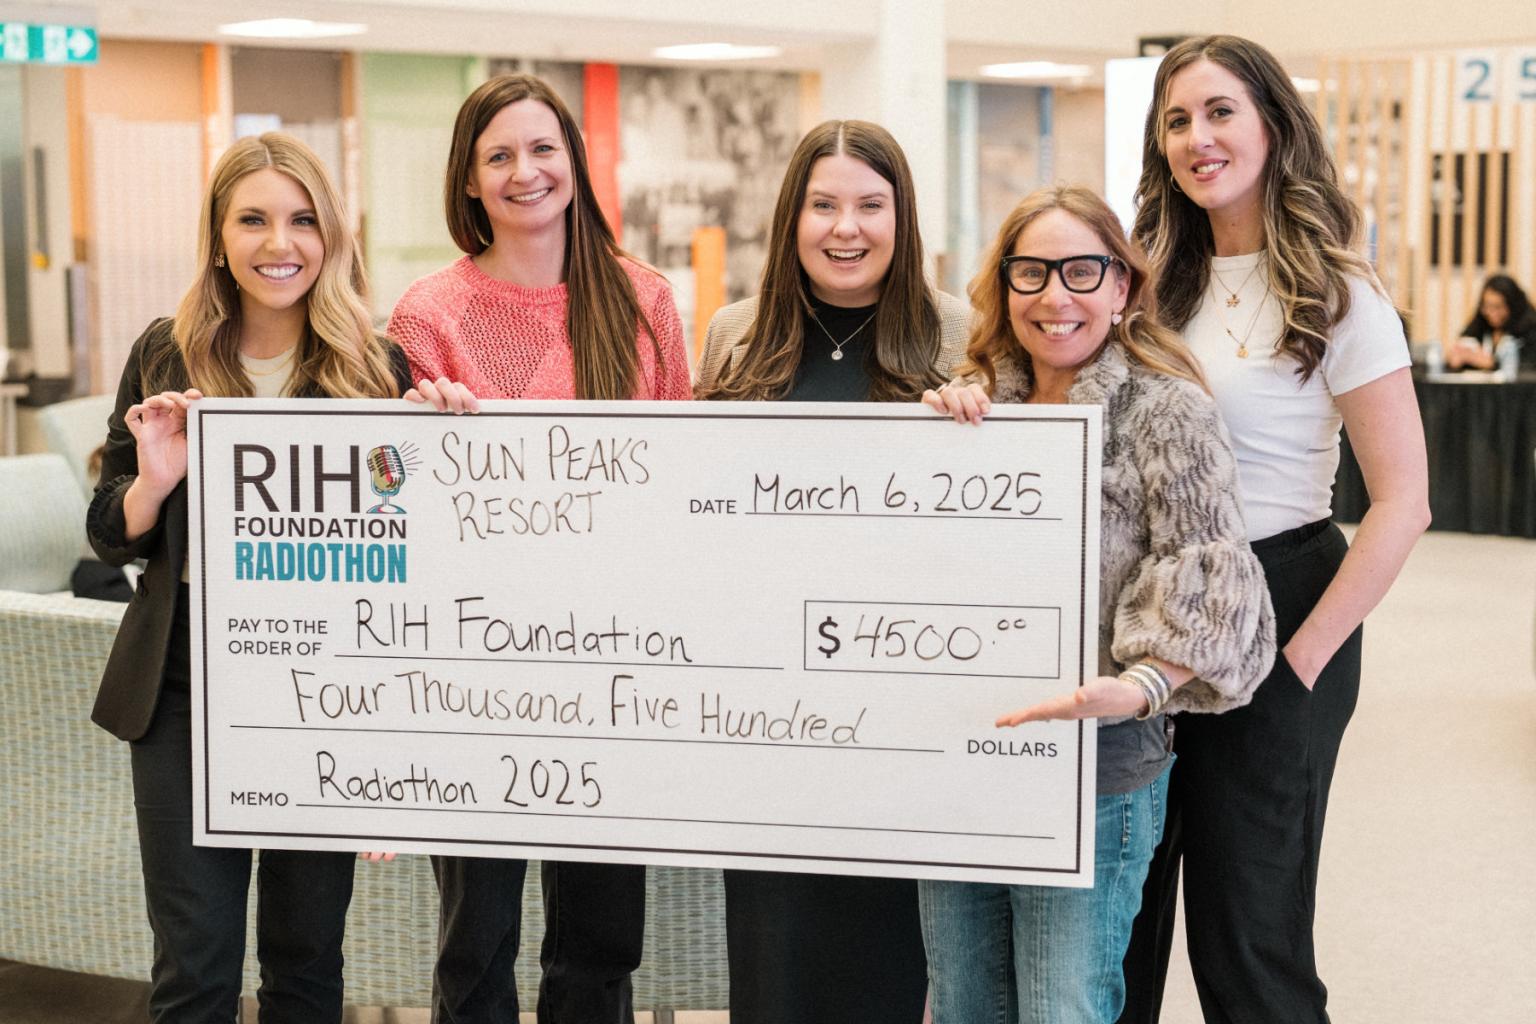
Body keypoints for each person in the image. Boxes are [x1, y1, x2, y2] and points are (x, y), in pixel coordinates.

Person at [86, 132, 463, 1023]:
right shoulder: (164, 352)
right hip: (183, 693)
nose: (278, 243)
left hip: (321, 697)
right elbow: (109, 532)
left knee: (305, 965)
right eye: (252, 219)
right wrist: (154, 482)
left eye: (301, 220)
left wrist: (440, 445)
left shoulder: (378, 371)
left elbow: (413, 556)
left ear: (330, 236)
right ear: (218, 236)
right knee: (195, 967)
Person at [1118, 35, 1431, 1024]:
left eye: (1220, 112)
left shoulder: (1338, 295)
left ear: (1271, 126)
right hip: (1150, 609)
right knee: (1117, 921)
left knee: (1249, 933)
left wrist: (1300, 664)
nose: (1197, 137)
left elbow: (1404, 502)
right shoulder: (1146, 281)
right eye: (1177, 119)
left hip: (1281, 600)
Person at [920, 185, 1275, 1024]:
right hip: (960, 756)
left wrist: (1143, 686)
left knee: (1063, 1008)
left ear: (1122, 288)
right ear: (1003, 289)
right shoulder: (969, 405)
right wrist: (927, 432)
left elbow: (1215, 578)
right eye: (1031, 272)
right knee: (964, 1004)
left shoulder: (1165, 410)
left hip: (1097, 771)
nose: (1055, 296)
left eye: (1082, 272)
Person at [385, 73, 689, 1024]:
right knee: (474, 940)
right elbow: (399, 502)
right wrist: (406, 428)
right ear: (469, 180)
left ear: (575, 161)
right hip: (473, 667)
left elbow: (682, 478)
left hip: (616, 664)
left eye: (544, 149)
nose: (527, 172)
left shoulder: (643, 300)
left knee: (600, 942)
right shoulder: (424, 314)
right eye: (500, 156)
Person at [693, 119, 970, 1024]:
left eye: (869, 205)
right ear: (792, 217)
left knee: (889, 961)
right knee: (775, 965)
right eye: (823, 205)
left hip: (902, 709)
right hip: (766, 710)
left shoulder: (961, 336)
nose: (845, 228)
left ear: (904, 217)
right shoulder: (736, 334)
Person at [1445, 273, 1536, 372]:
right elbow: (1465, 342)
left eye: (1498, 307)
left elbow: (1528, 368)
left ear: (1512, 305)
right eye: (1487, 306)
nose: (1492, 313)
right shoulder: (1482, 321)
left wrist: (1492, 363)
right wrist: (1456, 358)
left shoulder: (1530, 327)